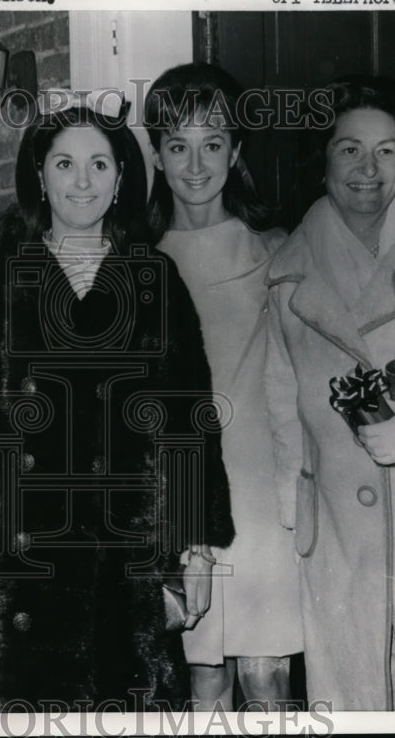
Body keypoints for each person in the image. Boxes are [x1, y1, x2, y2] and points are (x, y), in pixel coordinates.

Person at [0, 99, 235, 711]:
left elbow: (189, 421)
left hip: (126, 561)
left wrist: (196, 547)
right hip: (9, 561)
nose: (82, 180)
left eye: (99, 163)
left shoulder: (155, 279)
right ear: (40, 174)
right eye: (65, 163)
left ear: (121, 177)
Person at [265, 75, 395, 709]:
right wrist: (292, 515)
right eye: (349, 148)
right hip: (336, 540)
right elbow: (282, 405)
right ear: (322, 158)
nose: (369, 167)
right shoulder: (286, 274)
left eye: (386, 149)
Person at [144, 63, 303, 710]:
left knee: (266, 673)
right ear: (156, 153)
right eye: (177, 146)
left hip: (263, 494)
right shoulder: (135, 258)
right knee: (200, 675)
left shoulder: (277, 247)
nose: (195, 164)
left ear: (235, 151)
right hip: (184, 495)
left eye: (212, 144)